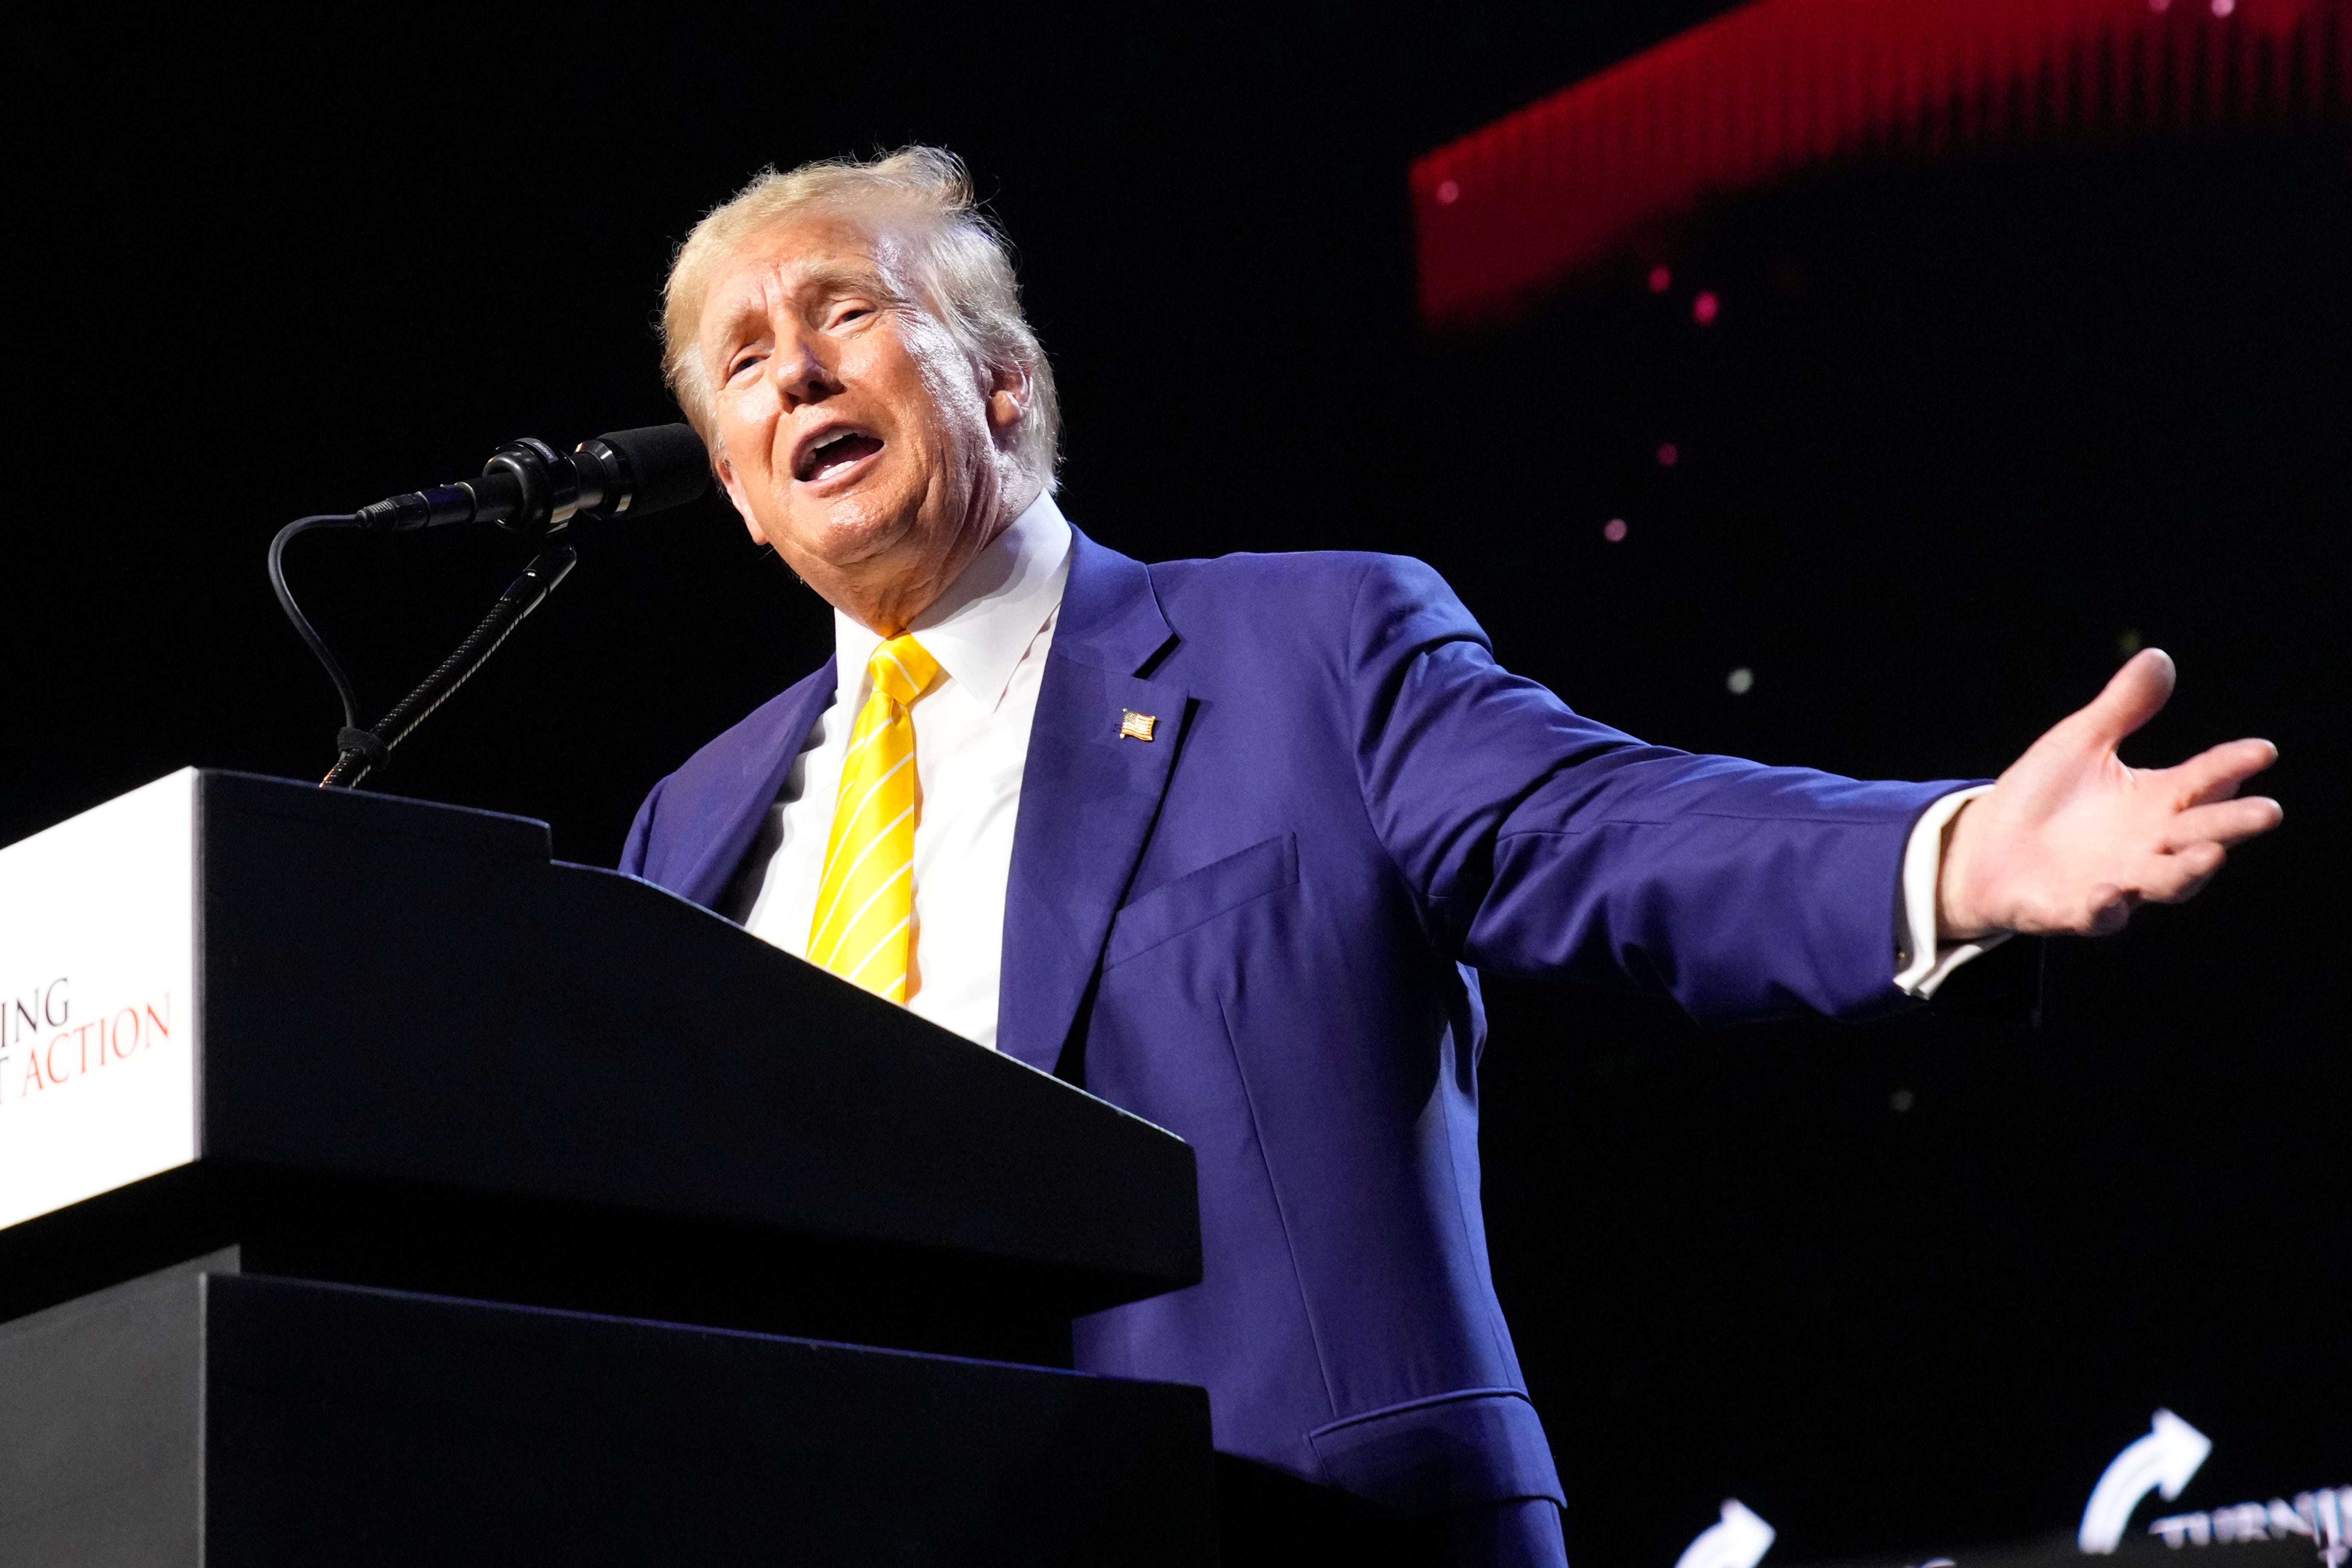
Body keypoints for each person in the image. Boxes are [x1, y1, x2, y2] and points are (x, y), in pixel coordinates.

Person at [619, 147, 2281, 1568]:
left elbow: (1614, 831)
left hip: (1314, 1531)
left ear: (1004, 381)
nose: (797, 372)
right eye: (743, 360)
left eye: (844, 309)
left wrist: (1956, 851)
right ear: (746, 500)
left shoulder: (1307, 650)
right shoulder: (685, 830)